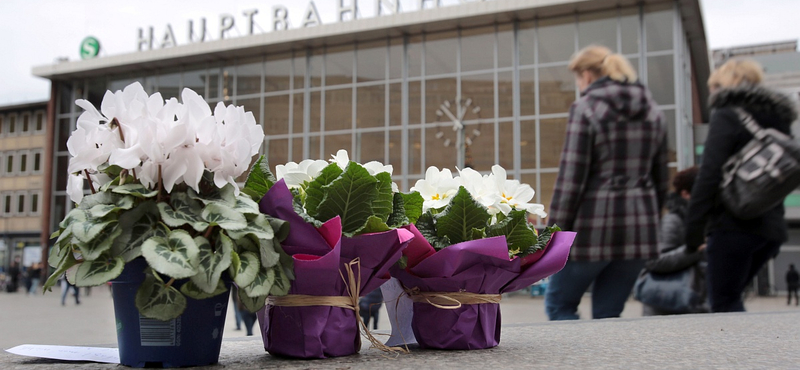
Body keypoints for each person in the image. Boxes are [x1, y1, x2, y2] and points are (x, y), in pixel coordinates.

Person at [545, 45, 669, 320]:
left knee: (559, 305)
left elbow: (571, 179)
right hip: (639, 230)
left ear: (587, 75)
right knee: (609, 314)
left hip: (593, 229)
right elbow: (662, 180)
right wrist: (652, 222)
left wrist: (554, 234)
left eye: (578, 78)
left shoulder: (586, 108)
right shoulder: (653, 111)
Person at [685, 59, 797, 313]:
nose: (712, 93)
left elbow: (709, 174)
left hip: (733, 226)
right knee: (732, 298)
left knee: (725, 303)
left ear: (725, 84)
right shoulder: (779, 118)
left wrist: (693, 231)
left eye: (714, 86)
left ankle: (738, 353)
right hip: (771, 229)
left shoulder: (727, 114)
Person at [639, 167, 708, 316]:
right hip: (669, 306)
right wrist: (695, 250)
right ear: (685, 194)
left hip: (692, 303)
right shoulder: (673, 220)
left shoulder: (703, 219)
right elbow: (655, 261)